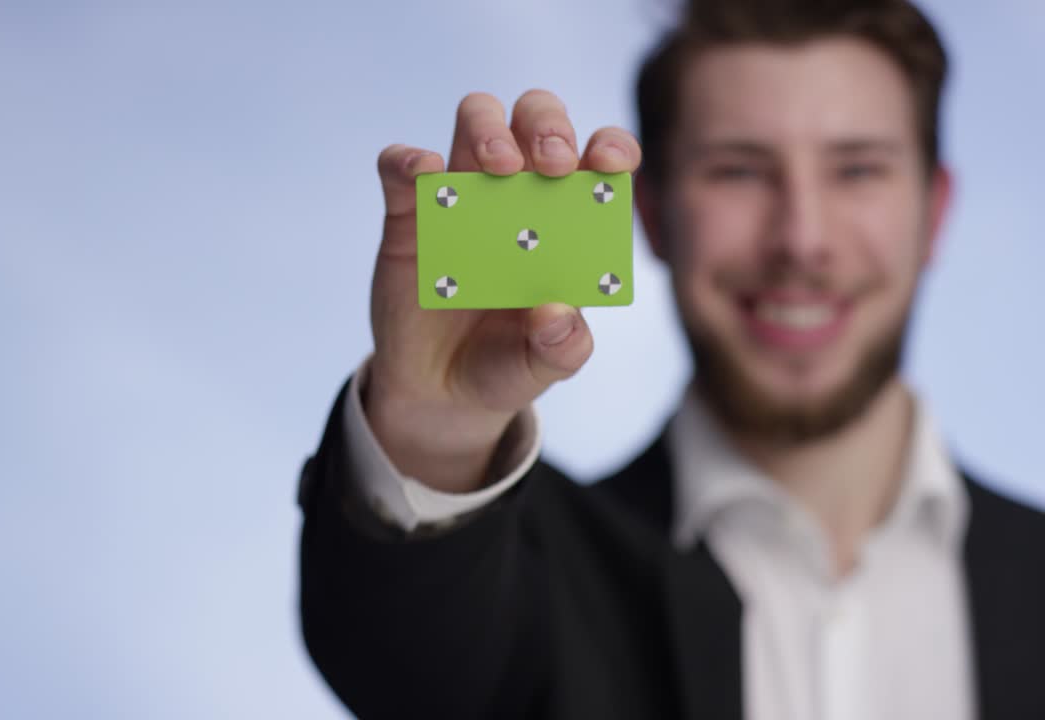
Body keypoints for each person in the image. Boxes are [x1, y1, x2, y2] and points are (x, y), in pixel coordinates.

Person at [296, 1, 1045, 718]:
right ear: (651, 214)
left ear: (934, 211)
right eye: (737, 170)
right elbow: (403, 666)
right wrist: (434, 434)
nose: (801, 239)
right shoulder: (534, 584)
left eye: (857, 170)